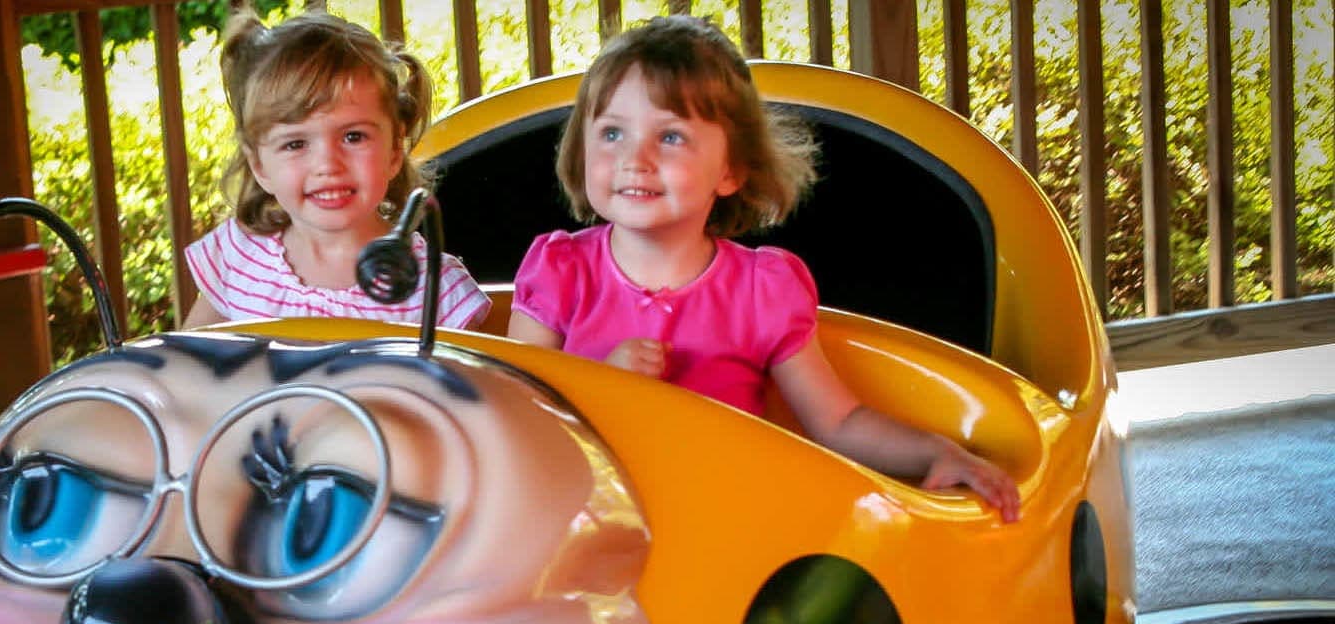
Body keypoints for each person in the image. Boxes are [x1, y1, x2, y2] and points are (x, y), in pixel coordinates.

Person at [508, 16, 1020, 522]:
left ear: (730, 169)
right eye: (613, 132)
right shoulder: (560, 271)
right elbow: (514, 419)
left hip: (728, 525)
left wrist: (934, 452)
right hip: (589, 532)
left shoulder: (761, 290)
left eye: (670, 137)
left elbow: (838, 421)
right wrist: (600, 386)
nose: (634, 159)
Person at [181, 10, 491, 330]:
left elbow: (464, 380)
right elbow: (185, 362)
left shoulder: (433, 288)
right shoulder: (238, 258)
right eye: (295, 144)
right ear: (259, 165)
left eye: (353, 136)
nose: (328, 164)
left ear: (395, 149)